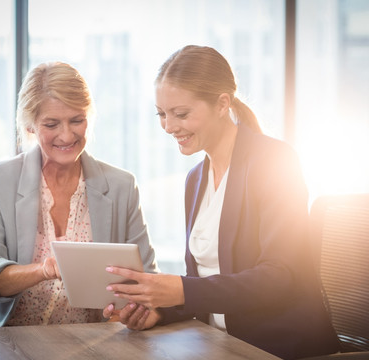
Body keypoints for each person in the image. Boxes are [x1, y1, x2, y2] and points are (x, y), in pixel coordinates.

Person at [103, 45, 340, 359]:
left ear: (222, 103)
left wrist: (182, 290)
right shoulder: (195, 180)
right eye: (162, 114)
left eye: (181, 113)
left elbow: (281, 276)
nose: (169, 126)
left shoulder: (274, 161)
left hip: (274, 347)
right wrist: (162, 311)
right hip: (215, 344)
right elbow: (208, 287)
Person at [0, 61, 158, 328]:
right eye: (51, 124)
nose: (67, 135)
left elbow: (148, 281)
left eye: (77, 120)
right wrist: (44, 270)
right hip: (5, 338)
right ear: (30, 126)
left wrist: (143, 313)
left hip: (87, 342)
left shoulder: (122, 186)